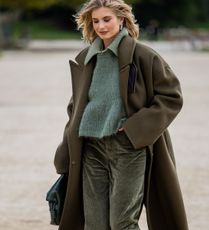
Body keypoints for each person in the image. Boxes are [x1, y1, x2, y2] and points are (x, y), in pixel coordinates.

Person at [53, 0, 189, 229]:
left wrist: (135, 128)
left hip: (128, 148)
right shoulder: (86, 58)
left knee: (122, 223)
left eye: (107, 19)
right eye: (96, 21)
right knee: (94, 224)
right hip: (91, 148)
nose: (101, 26)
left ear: (121, 20)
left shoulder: (143, 55)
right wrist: (67, 145)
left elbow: (171, 96)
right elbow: (75, 106)